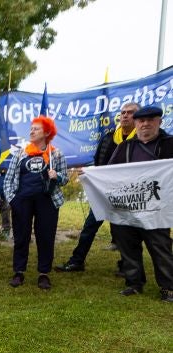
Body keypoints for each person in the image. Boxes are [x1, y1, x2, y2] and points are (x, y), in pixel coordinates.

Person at [56, 102, 139, 272]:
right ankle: (77, 261)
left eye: (130, 113)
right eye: (123, 112)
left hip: (127, 194)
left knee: (125, 232)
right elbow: (98, 160)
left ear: (138, 117)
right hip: (104, 192)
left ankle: (126, 265)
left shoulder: (141, 141)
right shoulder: (109, 137)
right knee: (89, 227)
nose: (125, 115)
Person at [107, 105, 173, 302]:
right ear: (135, 124)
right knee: (128, 247)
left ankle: (168, 287)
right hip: (128, 209)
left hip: (157, 209)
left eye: (150, 120)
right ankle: (134, 283)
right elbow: (109, 172)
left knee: (160, 247)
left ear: (159, 122)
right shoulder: (125, 147)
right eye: (141, 121)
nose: (145, 124)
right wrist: (91, 175)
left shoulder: (170, 144)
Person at [4, 116, 69, 290]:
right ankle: (19, 271)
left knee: (46, 237)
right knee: (21, 237)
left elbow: (65, 180)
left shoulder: (55, 154)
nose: (32, 131)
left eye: (36, 129)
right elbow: (8, 179)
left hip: (47, 202)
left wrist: (58, 176)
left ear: (47, 132)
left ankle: (44, 274)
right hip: (22, 201)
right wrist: (12, 199)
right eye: (31, 128)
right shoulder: (21, 152)